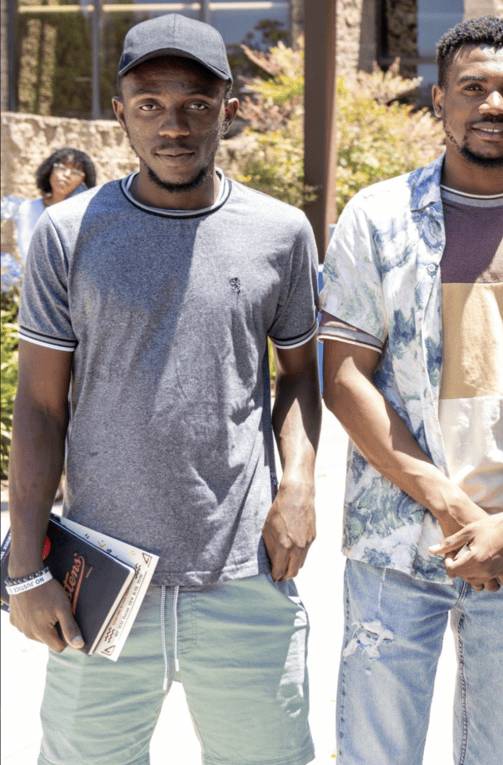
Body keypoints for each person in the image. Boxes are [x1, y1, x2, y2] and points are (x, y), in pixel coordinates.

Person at [7, 14, 320, 765]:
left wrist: (300, 486)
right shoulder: (67, 232)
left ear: (230, 110)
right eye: (150, 104)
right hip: (100, 582)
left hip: (245, 575)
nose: (173, 124)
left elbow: (301, 377)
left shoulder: (280, 232)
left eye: (196, 104)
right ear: (119, 112)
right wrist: (25, 569)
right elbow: (41, 410)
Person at [318, 15, 503, 765]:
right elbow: (344, 379)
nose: (494, 104)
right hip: (396, 547)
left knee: (498, 755)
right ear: (437, 101)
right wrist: (455, 507)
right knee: (376, 754)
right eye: (472, 87)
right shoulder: (376, 220)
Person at [15, 147, 96, 260]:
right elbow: (27, 253)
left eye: (75, 172)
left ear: (84, 181)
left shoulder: (85, 215)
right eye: (61, 167)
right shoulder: (29, 208)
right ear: (49, 171)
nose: (66, 174)